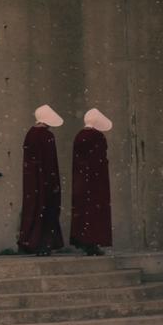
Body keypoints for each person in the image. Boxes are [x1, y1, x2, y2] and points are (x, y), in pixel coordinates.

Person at [17, 104, 65, 256]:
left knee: (33, 209)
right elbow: (51, 161)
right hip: (45, 180)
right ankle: (44, 244)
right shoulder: (47, 136)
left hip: (32, 181)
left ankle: (29, 242)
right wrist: (53, 182)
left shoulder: (30, 134)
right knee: (47, 211)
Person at [70, 108, 113, 256]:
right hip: (95, 181)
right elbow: (100, 160)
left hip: (81, 181)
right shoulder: (97, 137)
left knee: (84, 211)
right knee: (95, 212)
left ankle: (84, 240)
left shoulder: (79, 136)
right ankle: (93, 242)